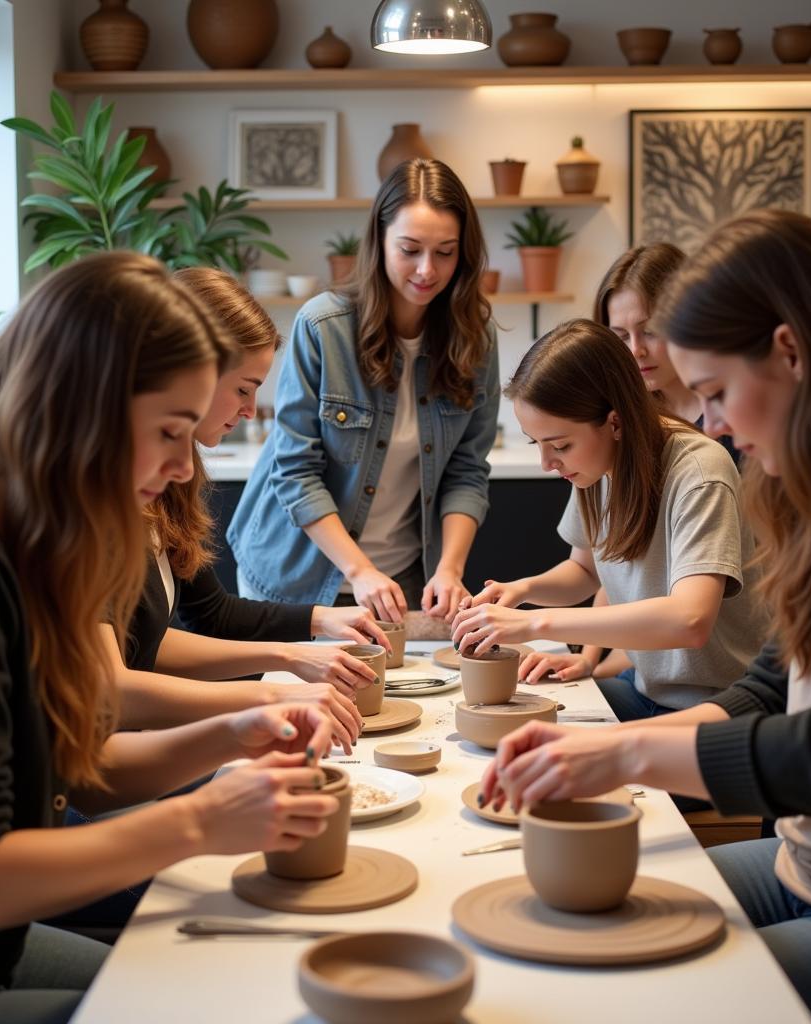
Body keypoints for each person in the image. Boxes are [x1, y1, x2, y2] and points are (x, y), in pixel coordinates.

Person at [477, 210, 811, 1024]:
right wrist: (613, 744)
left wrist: (625, 756)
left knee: (634, 996)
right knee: (572, 926)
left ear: (791, 352)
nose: (714, 423)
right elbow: (771, 683)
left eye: (718, 393)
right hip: (805, 865)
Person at [0, 252, 339, 1024]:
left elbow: (82, 772)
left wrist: (236, 730)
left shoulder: (22, 537)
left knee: (218, 983)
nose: (184, 467)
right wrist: (202, 821)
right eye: (170, 432)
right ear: (90, 409)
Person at [109, 268, 389, 741]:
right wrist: (280, 690)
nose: (249, 410)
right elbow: (114, 691)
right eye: (243, 389)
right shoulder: (101, 499)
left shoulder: (170, 476)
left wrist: (306, 636)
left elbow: (181, 628)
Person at [452, 317, 766, 725]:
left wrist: (531, 622)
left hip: (721, 708)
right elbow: (584, 571)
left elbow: (690, 620)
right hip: (645, 689)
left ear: (614, 422)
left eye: (560, 445)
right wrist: (522, 590)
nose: (547, 463)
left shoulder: (699, 471)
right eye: (538, 444)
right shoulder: (596, 468)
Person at [228, 158, 500, 624]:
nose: (427, 270)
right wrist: (360, 571)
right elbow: (294, 470)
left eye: (446, 252)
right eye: (410, 249)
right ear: (378, 240)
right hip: (296, 575)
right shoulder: (323, 326)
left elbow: (467, 470)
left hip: (400, 579)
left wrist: (450, 570)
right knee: (297, 696)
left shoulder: (475, 337)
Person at [577, 243, 743, 685]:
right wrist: (590, 660)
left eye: (650, 331)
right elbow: (622, 565)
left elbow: (691, 613)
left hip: (722, 671)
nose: (636, 351)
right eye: (618, 336)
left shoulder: (731, 438)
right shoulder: (622, 429)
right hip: (658, 666)